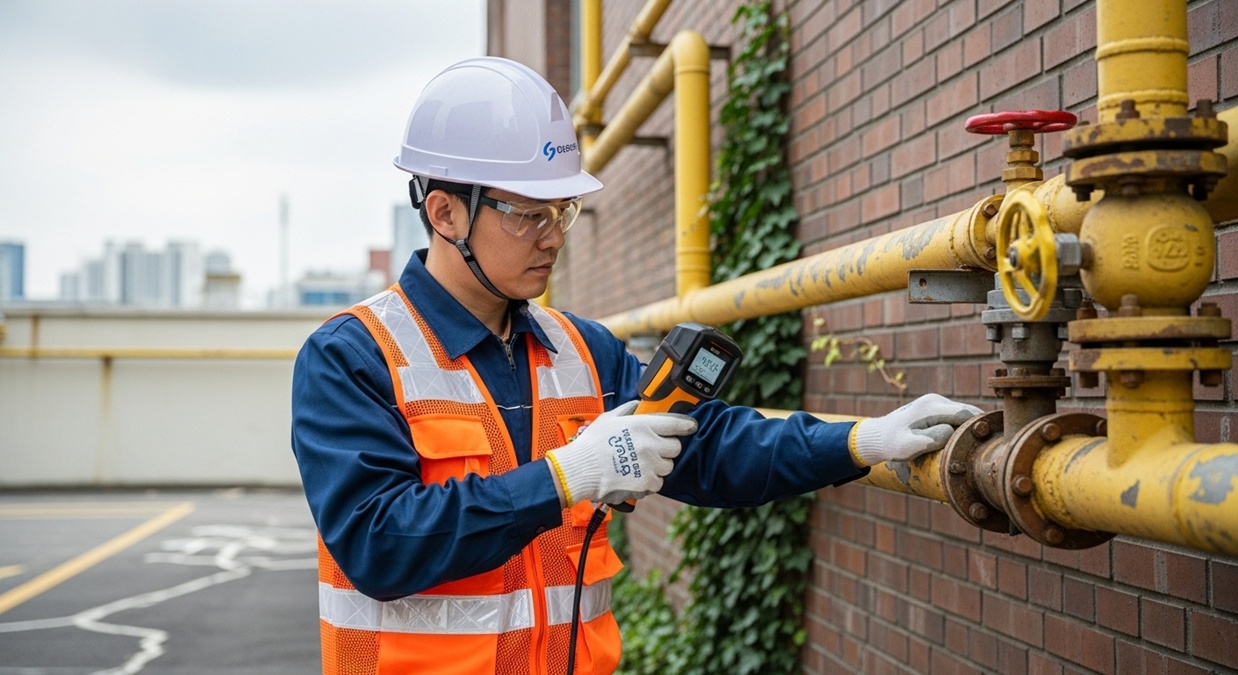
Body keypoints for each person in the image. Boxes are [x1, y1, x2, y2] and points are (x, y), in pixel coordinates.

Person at [291, 56, 981, 675]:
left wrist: (865, 440)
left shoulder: (582, 350)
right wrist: (568, 475)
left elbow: (709, 447)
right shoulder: (352, 356)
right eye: (529, 214)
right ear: (445, 213)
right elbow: (377, 543)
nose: (553, 237)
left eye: (563, 210)